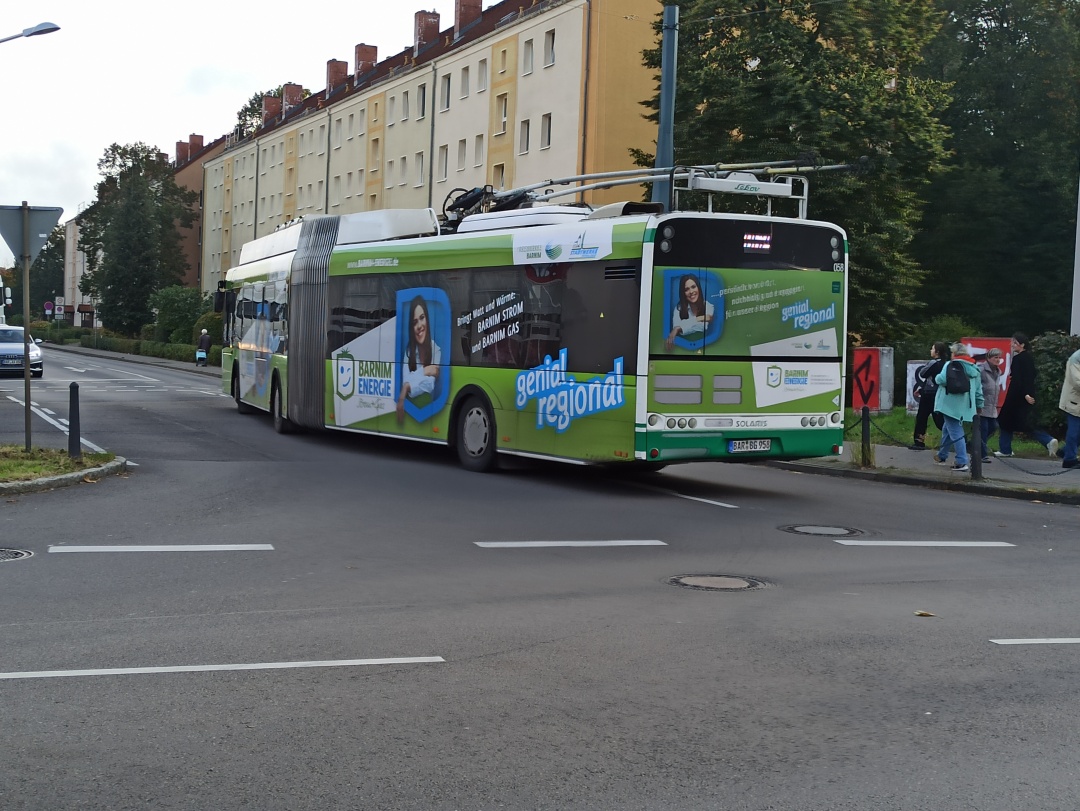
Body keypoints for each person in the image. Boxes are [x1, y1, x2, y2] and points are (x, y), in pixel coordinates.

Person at [995, 332, 1058, 458]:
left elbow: (1018, 379)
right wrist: (1029, 393)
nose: (1012, 345)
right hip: (1026, 395)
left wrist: (1024, 394)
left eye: (1015, 342)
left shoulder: (1018, 359)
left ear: (1022, 345)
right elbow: (1031, 376)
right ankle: (1048, 440)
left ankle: (1005, 449)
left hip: (1016, 397)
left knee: (1006, 422)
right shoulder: (1028, 358)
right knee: (1025, 422)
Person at [932, 342, 984, 472]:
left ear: (954, 353)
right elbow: (978, 391)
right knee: (947, 429)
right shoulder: (974, 369)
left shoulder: (950, 365)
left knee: (955, 431)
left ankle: (962, 461)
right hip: (966, 405)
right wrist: (979, 405)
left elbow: (941, 380)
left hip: (949, 404)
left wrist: (937, 377)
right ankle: (942, 455)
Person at [396, 296, 441, 423]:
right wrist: (426, 370)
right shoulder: (409, 351)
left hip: (426, 412)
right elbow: (406, 381)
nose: (419, 326)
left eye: (422, 318)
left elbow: (429, 385)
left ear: (427, 319)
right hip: (408, 409)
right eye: (415, 322)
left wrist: (407, 387)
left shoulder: (436, 350)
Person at [909, 341, 950, 450]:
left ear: (937, 352)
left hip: (929, 394)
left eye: (932, 349)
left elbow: (923, 373)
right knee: (940, 419)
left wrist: (922, 390)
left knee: (922, 418)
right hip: (940, 393)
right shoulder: (946, 364)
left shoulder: (933, 362)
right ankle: (959, 439)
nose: (930, 351)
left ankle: (919, 442)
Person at [665, 274, 714, 350]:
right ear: (683, 293)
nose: (691, 291)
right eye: (686, 289)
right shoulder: (678, 308)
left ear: (698, 288)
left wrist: (680, 327)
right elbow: (676, 328)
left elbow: (702, 326)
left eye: (693, 287)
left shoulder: (709, 306)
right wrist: (701, 318)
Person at [976, 347, 1003, 463]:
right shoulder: (981, 370)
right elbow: (976, 386)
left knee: (993, 427)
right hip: (982, 405)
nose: (998, 360)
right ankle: (982, 454)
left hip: (992, 406)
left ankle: (975, 444)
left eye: (999, 357)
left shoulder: (998, 371)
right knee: (984, 429)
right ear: (988, 358)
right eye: (995, 357)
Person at [1058, 347, 1080, 469]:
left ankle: (1066, 451)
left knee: (1077, 431)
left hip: (1076, 399)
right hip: (1074, 400)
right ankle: (1069, 459)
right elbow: (1077, 382)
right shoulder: (1076, 359)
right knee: (1074, 431)